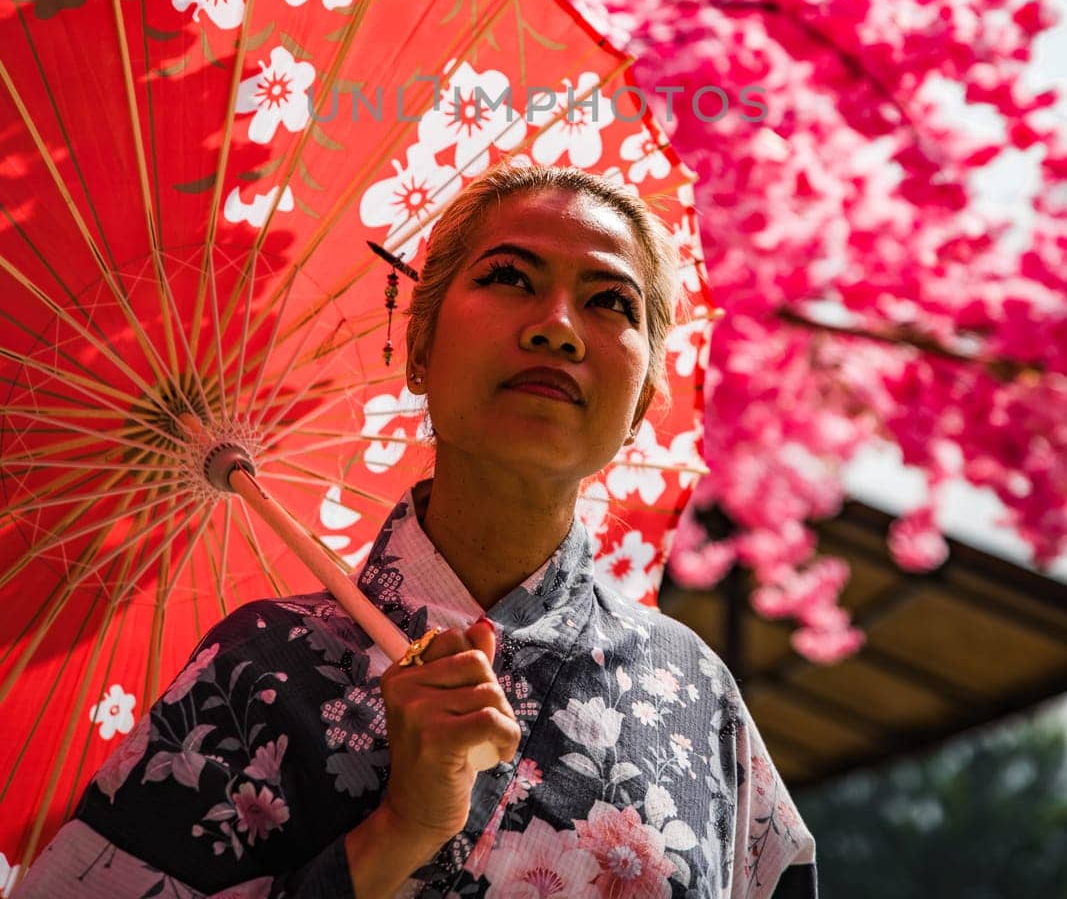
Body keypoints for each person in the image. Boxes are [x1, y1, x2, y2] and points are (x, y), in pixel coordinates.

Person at [17, 162, 817, 898]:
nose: (557, 328)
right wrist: (401, 831)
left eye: (611, 300)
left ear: (644, 402)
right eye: (508, 277)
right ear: (419, 350)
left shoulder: (697, 698)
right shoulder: (262, 667)